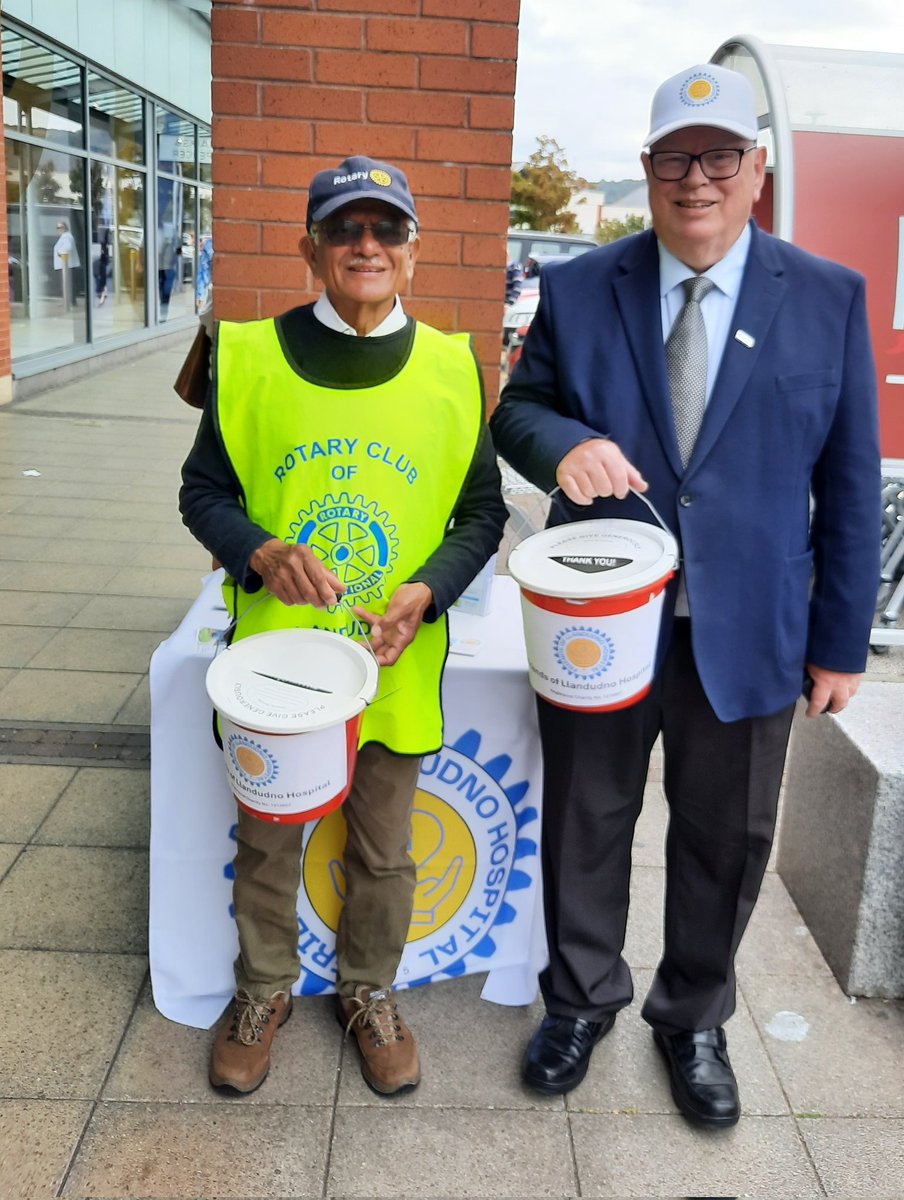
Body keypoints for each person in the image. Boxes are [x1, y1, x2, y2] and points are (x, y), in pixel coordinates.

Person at [490, 63, 880, 1127]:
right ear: (648, 173)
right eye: (674, 159)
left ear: (754, 171)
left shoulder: (828, 297)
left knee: (725, 835)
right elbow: (514, 415)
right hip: (599, 621)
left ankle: (692, 1016)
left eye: (717, 157)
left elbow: (848, 485)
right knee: (585, 817)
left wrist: (837, 645)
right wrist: (566, 443)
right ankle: (579, 998)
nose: (695, 180)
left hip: (750, 628)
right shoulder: (580, 290)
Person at [179, 155, 507, 1097]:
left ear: (412, 253)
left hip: (391, 662)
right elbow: (201, 492)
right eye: (345, 229)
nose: (366, 245)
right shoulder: (247, 356)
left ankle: (368, 991)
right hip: (276, 671)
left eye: (386, 230)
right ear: (310, 249)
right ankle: (262, 989)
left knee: (384, 849)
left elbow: (481, 514)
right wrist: (260, 549)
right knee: (272, 839)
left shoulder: (452, 366)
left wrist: (430, 592)